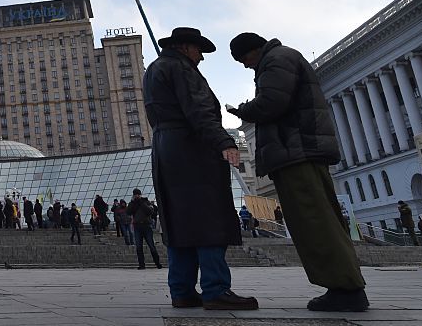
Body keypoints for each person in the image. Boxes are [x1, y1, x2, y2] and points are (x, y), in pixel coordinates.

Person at [227, 32, 368, 313]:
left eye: (243, 59)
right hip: (300, 151)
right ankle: (342, 285)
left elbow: (272, 103)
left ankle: (346, 289)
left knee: (314, 220)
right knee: (317, 219)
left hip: (296, 153)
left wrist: (241, 109)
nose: (245, 66)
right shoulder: (282, 58)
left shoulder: (276, 60)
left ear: (253, 51)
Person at [143, 26, 258, 311]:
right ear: (184, 47)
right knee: (208, 216)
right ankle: (216, 289)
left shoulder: (154, 69)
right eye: (199, 51)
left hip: (165, 148)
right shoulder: (181, 69)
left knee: (179, 219)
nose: (201, 58)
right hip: (191, 146)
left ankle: (181, 290)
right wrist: (224, 140)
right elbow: (199, 109)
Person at [127, 188, 162, 269]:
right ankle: (141, 265)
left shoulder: (146, 201)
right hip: (137, 227)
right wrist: (132, 202)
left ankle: (157, 263)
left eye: (138, 194)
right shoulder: (133, 203)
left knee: (151, 245)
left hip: (146, 226)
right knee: (138, 247)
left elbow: (150, 211)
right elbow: (128, 212)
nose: (136, 196)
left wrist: (141, 203)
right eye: (135, 194)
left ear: (140, 194)